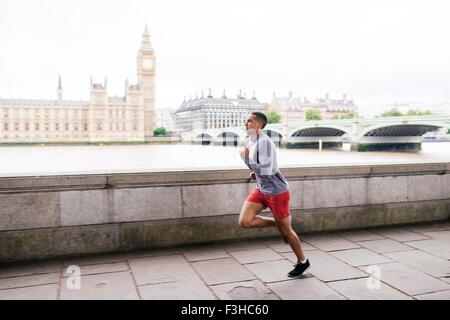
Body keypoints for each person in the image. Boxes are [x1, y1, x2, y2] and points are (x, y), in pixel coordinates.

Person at [239, 111, 310, 277]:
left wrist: (246, 160)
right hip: (261, 189)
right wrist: (254, 173)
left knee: (287, 232)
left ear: (258, 124)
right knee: (244, 221)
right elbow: (262, 167)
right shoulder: (250, 140)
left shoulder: (265, 143)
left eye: (249, 121)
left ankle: (303, 262)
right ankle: (278, 223)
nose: (245, 124)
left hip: (277, 192)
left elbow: (268, 169)